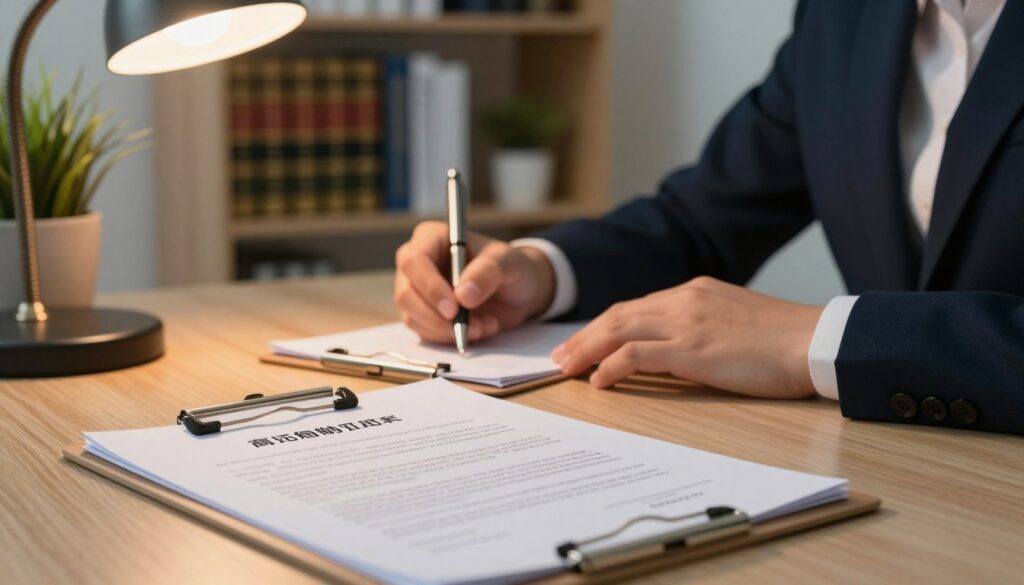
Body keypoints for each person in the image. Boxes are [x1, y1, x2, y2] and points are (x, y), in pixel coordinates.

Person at [394, 0, 1024, 436]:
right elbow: (704, 219)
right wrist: (539, 271)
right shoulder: (844, 17)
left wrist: (818, 339)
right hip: (894, 476)